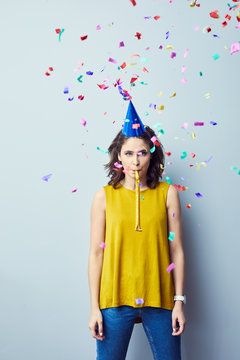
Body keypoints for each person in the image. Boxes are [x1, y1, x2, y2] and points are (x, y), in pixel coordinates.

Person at [88, 100, 186, 360]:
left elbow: (176, 249)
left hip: (161, 298)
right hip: (114, 299)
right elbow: (96, 254)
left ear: (151, 153)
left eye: (142, 152)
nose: (135, 161)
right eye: (129, 154)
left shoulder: (167, 193)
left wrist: (179, 302)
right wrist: (94, 308)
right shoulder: (104, 197)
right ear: (118, 156)